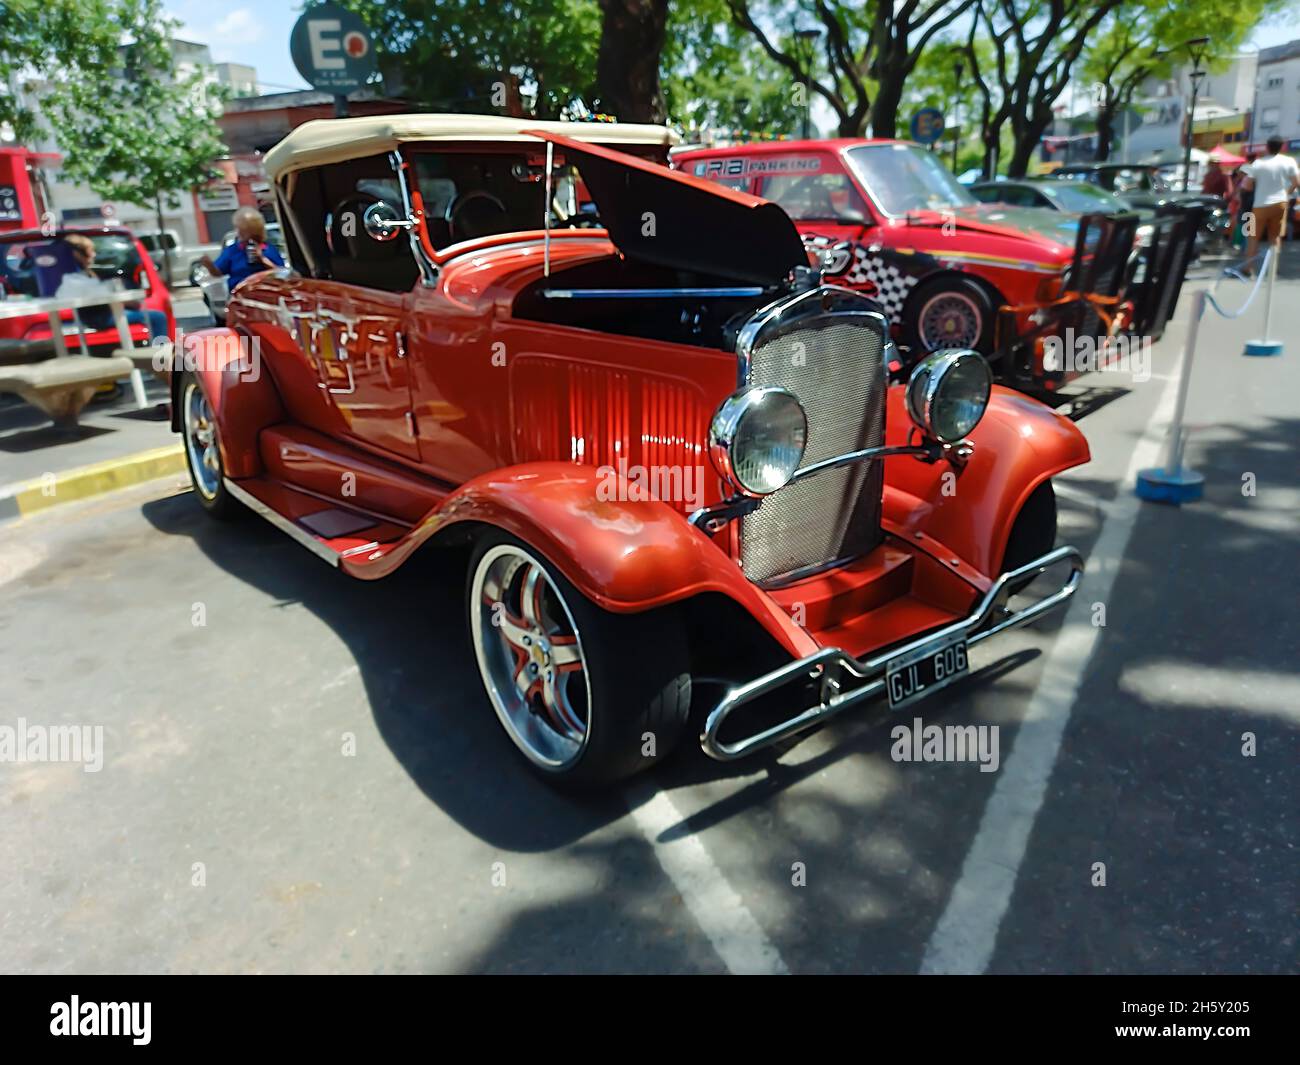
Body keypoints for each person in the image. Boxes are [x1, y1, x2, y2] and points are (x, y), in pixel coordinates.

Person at [58, 234, 169, 341]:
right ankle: (161, 356)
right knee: (158, 317)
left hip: (92, 317)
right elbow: (103, 295)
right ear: (80, 254)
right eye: (90, 251)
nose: (94, 255)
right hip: (101, 318)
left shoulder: (74, 275)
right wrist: (130, 303)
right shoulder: (78, 276)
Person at [1241, 136, 1300, 271]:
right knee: (1275, 237)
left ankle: (1249, 268)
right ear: (1282, 147)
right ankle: (1272, 269)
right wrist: (1287, 193)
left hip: (1260, 204)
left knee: (1253, 237)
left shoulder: (1257, 163)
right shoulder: (1289, 161)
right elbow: (1297, 182)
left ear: (1267, 147)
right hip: (1280, 202)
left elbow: (1248, 186)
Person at [200, 206, 284, 292]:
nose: (238, 232)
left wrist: (262, 259)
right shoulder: (233, 250)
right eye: (237, 228)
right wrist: (209, 265)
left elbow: (281, 273)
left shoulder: (268, 249)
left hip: (264, 294)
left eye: (242, 229)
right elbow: (218, 272)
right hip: (239, 295)